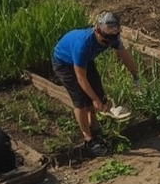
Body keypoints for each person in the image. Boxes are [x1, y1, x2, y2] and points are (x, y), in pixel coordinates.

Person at [51, 12, 140, 158]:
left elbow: (124, 55)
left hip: (86, 60)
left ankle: (94, 124)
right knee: (80, 101)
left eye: (111, 40)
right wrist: (95, 100)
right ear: (97, 31)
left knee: (98, 93)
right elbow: (81, 78)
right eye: (105, 41)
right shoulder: (83, 45)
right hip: (64, 62)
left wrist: (135, 75)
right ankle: (88, 139)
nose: (108, 44)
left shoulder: (111, 38)